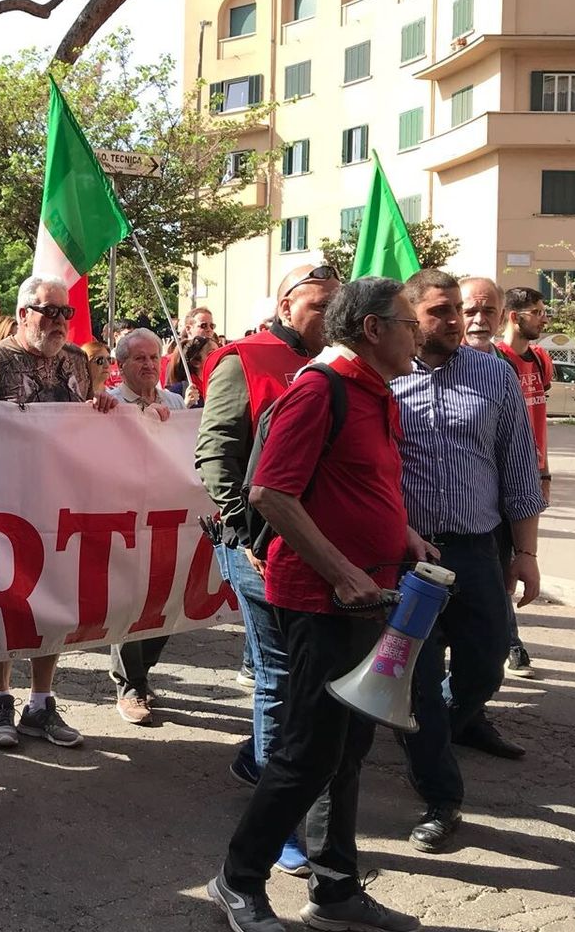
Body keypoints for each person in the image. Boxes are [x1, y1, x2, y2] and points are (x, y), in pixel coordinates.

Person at [207, 277, 431, 932]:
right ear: (372, 329)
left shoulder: (374, 392)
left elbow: (362, 483)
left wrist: (405, 535)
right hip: (321, 600)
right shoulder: (319, 388)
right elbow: (269, 492)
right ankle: (237, 879)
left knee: (349, 746)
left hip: (369, 596)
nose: (417, 334)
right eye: (410, 322)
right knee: (308, 750)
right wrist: (341, 572)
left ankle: (334, 891)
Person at [392, 269, 545, 852]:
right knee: (422, 678)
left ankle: (426, 732)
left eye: (459, 309)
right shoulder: (384, 378)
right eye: (440, 312)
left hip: (476, 550)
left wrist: (525, 554)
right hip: (405, 557)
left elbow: (518, 469)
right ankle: (440, 795)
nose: (457, 321)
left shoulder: (493, 373)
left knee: (486, 666)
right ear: (409, 317)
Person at [196, 261, 339, 877]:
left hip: (323, 547)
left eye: (337, 305)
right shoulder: (244, 359)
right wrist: (240, 529)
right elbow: (216, 452)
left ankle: (264, 762)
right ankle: (278, 822)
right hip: (259, 548)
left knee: (312, 677)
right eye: (317, 305)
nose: (328, 317)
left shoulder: (339, 367)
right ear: (285, 306)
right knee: (280, 676)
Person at [0, 274, 118, 749]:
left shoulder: (75, 360)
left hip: (61, 504)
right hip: (4, 504)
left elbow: (86, 417)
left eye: (65, 312)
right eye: (48, 311)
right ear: (23, 312)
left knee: (54, 604)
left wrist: (102, 403)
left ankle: (41, 704)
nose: (59, 321)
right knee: (5, 603)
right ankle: (1, 698)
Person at [106, 328, 184, 725]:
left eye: (154, 357)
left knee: (165, 598)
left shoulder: (174, 401)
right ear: (120, 366)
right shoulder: (110, 404)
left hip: (167, 515)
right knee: (130, 599)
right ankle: (129, 684)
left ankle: (142, 672)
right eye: (139, 358)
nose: (150, 364)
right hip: (125, 518)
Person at [494, 286, 556, 677]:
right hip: (496, 477)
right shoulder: (492, 361)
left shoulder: (541, 360)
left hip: (530, 474)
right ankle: (509, 640)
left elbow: (540, 423)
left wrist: (545, 472)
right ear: (515, 317)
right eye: (536, 311)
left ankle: (507, 637)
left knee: (521, 556)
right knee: (499, 559)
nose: (543, 318)